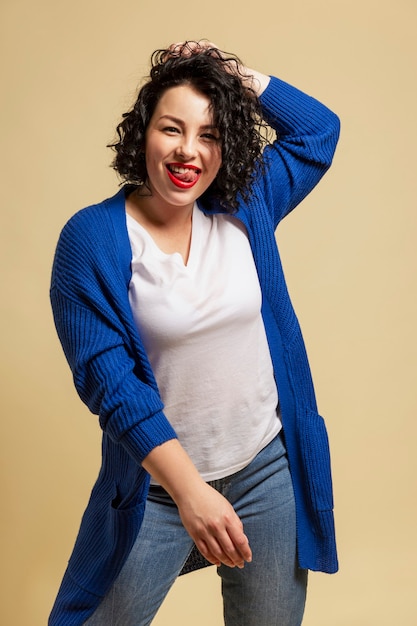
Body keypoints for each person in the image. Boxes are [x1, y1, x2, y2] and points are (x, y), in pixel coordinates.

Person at [48, 40, 340, 626]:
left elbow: (318, 132)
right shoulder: (93, 240)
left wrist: (230, 73)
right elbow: (115, 388)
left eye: (209, 134)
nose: (189, 151)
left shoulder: (244, 204)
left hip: (265, 470)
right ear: (142, 134)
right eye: (172, 129)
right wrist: (190, 494)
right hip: (158, 489)